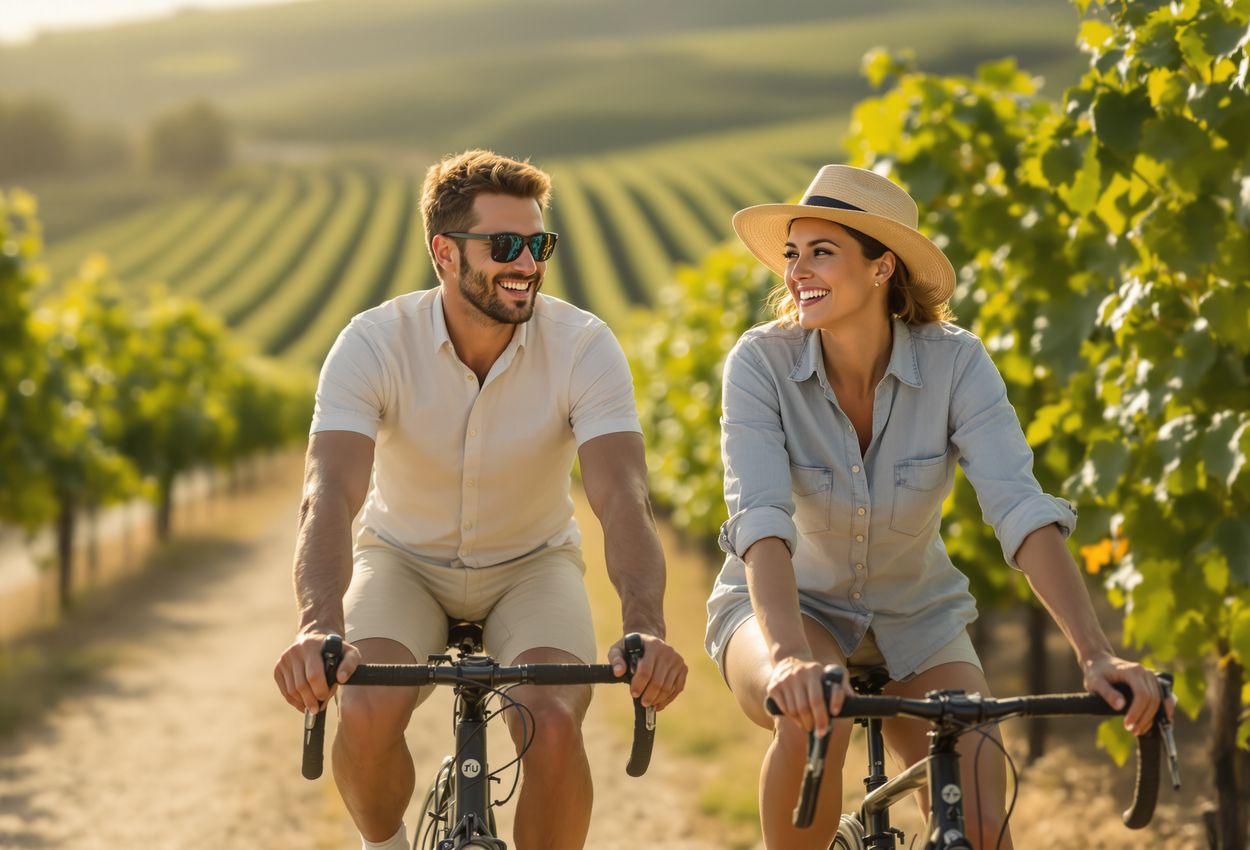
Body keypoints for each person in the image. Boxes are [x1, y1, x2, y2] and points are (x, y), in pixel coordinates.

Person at [704, 164, 1169, 850]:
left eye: (822, 252)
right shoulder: (759, 364)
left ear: (881, 267)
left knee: (980, 823)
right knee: (814, 720)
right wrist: (790, 658)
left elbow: (1019, 507)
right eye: (792, 254)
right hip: (786, 610)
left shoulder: (957, 363)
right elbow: (761, 520)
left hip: (917, 617)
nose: (797, 270)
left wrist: (1097, 655)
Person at [273, 149, 686, 850]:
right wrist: (318, 625)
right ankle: (387, 844)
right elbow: (329, 493)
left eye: (539, 244)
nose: (527, 263)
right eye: (505, 246)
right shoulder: (373, 342)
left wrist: (644, 624)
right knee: (367, 709)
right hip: (404, 560)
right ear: (444, 252)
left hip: (532, 564)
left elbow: (624, 497)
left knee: (553, 719)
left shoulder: (584, 346)